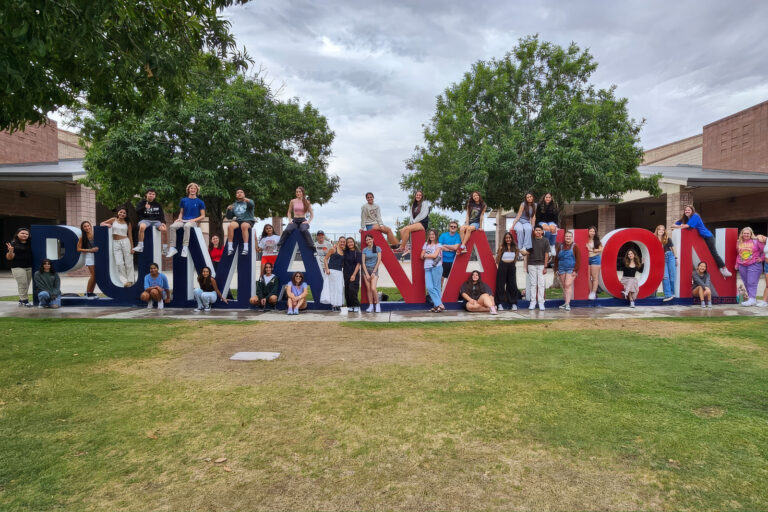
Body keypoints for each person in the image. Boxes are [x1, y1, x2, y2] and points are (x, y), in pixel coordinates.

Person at [670, 205, 732, 278]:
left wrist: (682, 226)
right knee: (705, 255)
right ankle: (711, 271)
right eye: (686, 210)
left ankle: (723, 268)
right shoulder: (685, 219)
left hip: (707, 237)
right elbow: (672, 225)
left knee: (713, 253)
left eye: (689, 210)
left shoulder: (695, 216)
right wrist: (681, 225)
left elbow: (686, 226)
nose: (687, 211)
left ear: (692, 211)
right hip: (699, 239)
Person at [167, 182, 206, 258]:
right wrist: (179, 218)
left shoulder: (200, 202)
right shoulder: (183, 200)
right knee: (172, 226)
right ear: (188, 189)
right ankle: (172, 248)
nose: (193, 190)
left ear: (197, 190)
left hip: (193, 222)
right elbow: (181, 212)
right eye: (191, 188)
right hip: (183, 220)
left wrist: (193, 220)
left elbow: (203, 216)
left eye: (194, 188)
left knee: (187, 226)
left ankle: (185, 248)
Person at [100, 207, 135, 286]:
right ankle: (127, 279)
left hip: (126, 242)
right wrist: (107, 224)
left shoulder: (128, 223)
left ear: (126, 215)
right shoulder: (113, 219)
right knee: (119, 263)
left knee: (128, 262)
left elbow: (130, 235)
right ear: (118, 213)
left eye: (124, 213)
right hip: (115, 243)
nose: (122, 214)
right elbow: (101, 223)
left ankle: (130, 280)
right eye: (121, 212)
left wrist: (132, 247)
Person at [276, 186, 315, 252]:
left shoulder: (307, 202)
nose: (298, 193)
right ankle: (279, 245)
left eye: (299, 192)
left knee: (304, 230)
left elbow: (312, 214)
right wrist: (289, 220)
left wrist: (308, 222)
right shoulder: (292, 201)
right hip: (295, 220)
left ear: (302, 193)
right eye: (297, 192)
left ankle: (312, 246)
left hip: (303, 220)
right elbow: (289, 212)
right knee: (287, 230)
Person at [734, 226, 765, 307]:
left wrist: (761, 259)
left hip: (754, 264)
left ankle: (752, 298)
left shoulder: (756, 241)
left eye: (748, 233)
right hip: (742, 265)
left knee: (752, 282)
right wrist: (737, 264)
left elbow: (764, 250)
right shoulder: (739, 242)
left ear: (751, 234)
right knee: (746, 282)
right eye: (744, 233)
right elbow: (738, 254)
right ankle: (751, 299)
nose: (746, 235)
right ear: (742, 234)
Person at [5, 227, 34, 307]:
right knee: (23, 283)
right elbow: (9, 258)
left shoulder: (31, 243)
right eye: (22, 233)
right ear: (17, 234)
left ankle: (21, 300)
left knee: (26, 284)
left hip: (29, 266)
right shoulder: (13, 244)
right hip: (17, 267)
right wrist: (10, 251)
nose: (24, 235)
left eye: (26, 234)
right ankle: (25, 301)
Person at [133, 188, 166, 253]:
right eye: (150, 194)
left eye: (153, 194)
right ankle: (140, 246)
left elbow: (162, 214)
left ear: (155, 196)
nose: (151, 195)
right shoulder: (141, 203)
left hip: (156, 221)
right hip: (145, 220)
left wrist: (163, 222)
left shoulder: (158, 204)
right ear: (146, 194)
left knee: (164, 229)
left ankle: (165, 248)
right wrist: (144, 207)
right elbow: (136, 212)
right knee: (142, 227)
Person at [554, 230, 581, 311]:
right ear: (564, 237)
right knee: (564, 286)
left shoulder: (575, 246)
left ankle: (568, 304)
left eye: (569, 236)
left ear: (572, 238)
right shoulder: (560, 246)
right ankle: (565, 303)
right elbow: (556, 259)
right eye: (566, 236)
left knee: (567, 284)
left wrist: (575, 270)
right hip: (561, 269)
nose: (568, 238)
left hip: (571, 269)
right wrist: (556, 269)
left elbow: (578, 259)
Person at [525, 225, 550, 310]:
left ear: (542, 231)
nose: (538, 232)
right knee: (533, 284)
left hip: (541, 265)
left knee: (541, 284)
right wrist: (526, 266)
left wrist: (546, 266)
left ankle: (541, 302)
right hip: (531, 264)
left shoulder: (546, 241)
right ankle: (533, 302)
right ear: (534, 231)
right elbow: (527, 254)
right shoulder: (530, 240)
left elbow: (546, 254)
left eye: (539, 230)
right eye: (536, 230)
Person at [225, 189, 255, 256]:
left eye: (241, 192)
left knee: (244, 226)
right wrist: (228, 210)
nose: (239, 193)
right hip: (238, 220)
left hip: (248, 220)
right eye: (237, 193)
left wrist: (248, 201)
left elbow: (252, 205)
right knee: (230, 226)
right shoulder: (234, 204)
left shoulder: (248, 201)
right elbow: (229, 217)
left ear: (244, 194)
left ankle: (245, 248)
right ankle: (230, 247)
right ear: (236, 195)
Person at [495, 232, 520, 311]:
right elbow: (497, 260)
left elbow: (515, 258)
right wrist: (500, 251)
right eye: (506, 238)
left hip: (511, 266)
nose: (508, 239)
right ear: (504, 239)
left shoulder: (515, 248)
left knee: (512, 284)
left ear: (512, 239)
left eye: (509, 238)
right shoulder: (502, 247)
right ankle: (499, 303)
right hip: (502, 266)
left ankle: (513, 303)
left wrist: (512, 265)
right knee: (500, 285)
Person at [422, 229, 444, 313]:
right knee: (429, 287)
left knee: (436, 287)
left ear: (436, 236)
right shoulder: (426, 244)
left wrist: (426, 255)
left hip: (436, 267)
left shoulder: (439, 245)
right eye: (430, 234)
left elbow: (435, 255)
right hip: (427, 268)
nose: (431, 236)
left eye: (433, 234)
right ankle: (440, 304)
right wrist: (429, 255)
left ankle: (436, 306)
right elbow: (421, 255)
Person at [321, 237, 346, 312]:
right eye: (341, 241)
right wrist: (327, 269)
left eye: (344, 242)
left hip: (339, 272)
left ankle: (338, 304)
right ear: (338, 242)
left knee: (339, 289)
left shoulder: (344, 251)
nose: (342, 243)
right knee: (332, 288)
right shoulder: (333, 249)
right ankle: (333, 305)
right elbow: (325, 259)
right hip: (331, 271)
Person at [654, 225, 677, 302]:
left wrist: (676, 258)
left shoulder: (667, 239)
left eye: (663, 230)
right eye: (660, 229)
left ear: (664, 231)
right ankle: (668, 295)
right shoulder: (654, 239)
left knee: (672, 276)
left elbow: (673, 249)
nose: (661, 231)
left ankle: (672, 293)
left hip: (670, 256)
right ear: (657, 230)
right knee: (665, 276)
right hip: (661, 259)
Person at [77, 221, 99, 298]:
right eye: (85, 227)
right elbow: (78, 249)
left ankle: (91, 292)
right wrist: (89, 250)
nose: (87, 228)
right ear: (83, 228)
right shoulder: (82, 237)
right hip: (89, 256)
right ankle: (87, 292)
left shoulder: (96, 234)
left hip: (98, 256)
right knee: (94, 275)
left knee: (96, 276)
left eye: (88, 226)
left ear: (90, 226)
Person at [361, 233, 382, 313]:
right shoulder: (365, 250)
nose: (368, 241)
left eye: (369, 239)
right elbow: (363, 262)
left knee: (373, 288)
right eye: (367, 240)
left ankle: (377, 305)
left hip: (374, 270)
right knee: (368, 289)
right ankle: (371, 306)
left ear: (373, 239)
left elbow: (379, 260)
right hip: (366, 270)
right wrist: (366, 273)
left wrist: (374, 272)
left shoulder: (377, 248)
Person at [438, 221, 461, 289]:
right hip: (443, 260)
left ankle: (450, 295)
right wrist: (449, 249)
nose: (453, 227)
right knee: (441, 278)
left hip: (453, 261)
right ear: (449, 227)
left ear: (456, 228)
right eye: (451, 226)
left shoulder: (458, 236)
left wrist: (445, 245)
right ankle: (439, 294)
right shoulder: (443, 235)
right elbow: (439, 246)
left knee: (452, 279)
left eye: (454, 227)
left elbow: (456, 247)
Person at [343, 237, 362, 312]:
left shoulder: (357, 252)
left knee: (352, 290)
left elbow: (358, 264)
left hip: (355, 274)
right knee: (347, 291)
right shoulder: (345, 252)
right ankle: (350, 306)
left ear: (354, 242)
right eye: (348, 242)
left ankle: (356, 305)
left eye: (351, 242)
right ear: (346, 244)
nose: (350, 243)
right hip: (346, 273)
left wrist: (354, 275)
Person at [586, 226, 602, 300]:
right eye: (591, 231)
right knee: (588, 277)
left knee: (595, 277)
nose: (592, 232)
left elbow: (601, 249)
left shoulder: (597, 240)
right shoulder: (585, 239)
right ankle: (591, 292)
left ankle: (593, 292)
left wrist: (594, 250)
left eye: (593, 231)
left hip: (595, 259)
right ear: (588, 231)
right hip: (587, 259)